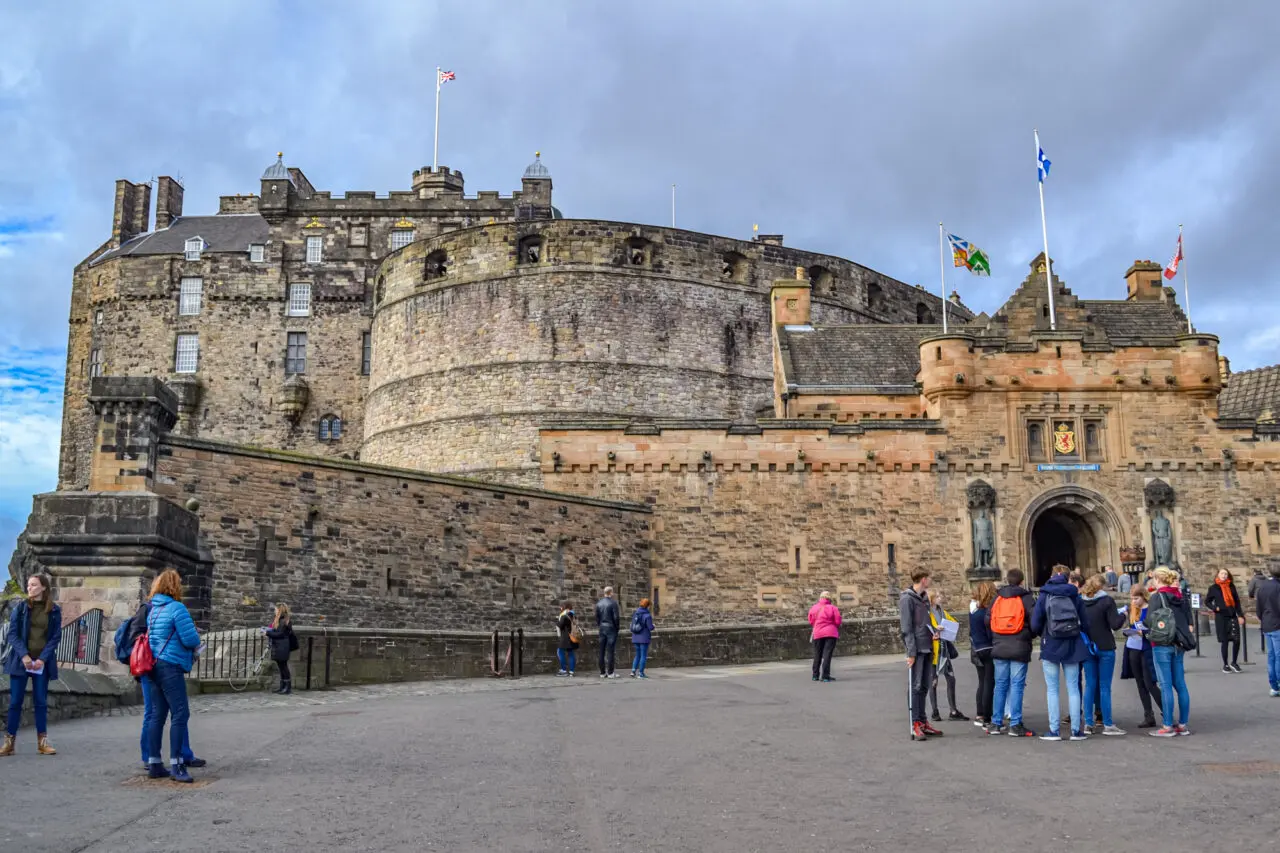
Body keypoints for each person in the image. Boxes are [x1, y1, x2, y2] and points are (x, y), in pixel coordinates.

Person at [119, 600, 204, 769]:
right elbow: (135, 636)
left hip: (158, 665)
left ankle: (177, 754)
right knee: (158, 713)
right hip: (151, 666)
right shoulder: (149, 609)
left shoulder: (161, 609)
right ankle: (150, 757)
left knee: (170, 713)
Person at [143, 569, 202, 782]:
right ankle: (177, 765)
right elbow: (191, 640)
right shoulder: (177, 608)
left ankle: (154, 762)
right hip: (171, 665)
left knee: (157, 715)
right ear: (175, 587)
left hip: (154, 666)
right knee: (180, 714)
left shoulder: (153, 610)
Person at [1, 573, 62, 757]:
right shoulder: (20, 608)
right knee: (15, 702)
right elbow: (12, 634)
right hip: (21, 662)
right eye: (28, 585)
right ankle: (9, 743)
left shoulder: (54, 610)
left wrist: (42, 658)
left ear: (43, 587)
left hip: (41, 662)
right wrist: (24, 656)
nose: (30, 588)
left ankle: (42, 742)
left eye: (34, 585)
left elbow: (55, 637)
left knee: (41, 701)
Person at [1031, 564, 1091, 741]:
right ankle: (1075, 731)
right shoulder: (1074, 594)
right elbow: (1085, 622)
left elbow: (1035, 622)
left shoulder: (1045, 594)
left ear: (1051, 575)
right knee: (1073, 688)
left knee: (1052, 689)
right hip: (1072, 643)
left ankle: (1054, 730)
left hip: (1050, 643)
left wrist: (1041, 632)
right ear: (1068, 577)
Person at [1146, 566, 1194, 737]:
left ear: (1158, 580)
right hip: (1179, 644)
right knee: (1180, 684)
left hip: (1161, 644)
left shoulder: (1157, 597)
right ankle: (1183, 724)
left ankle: (1167, 726)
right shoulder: (1180, 596)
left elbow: (1149, 621)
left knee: (1165, 685)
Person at [989, 568, 1037, 738]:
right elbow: (1035, 621)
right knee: (1016, 685)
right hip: (1019, 645)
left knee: (1000, 684)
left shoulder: (998, 597)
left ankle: (996, 723)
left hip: (999, 645)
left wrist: (996, 637)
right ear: (1021, 581)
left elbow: (988, 619)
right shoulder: (1026, 598)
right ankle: (1015, 724)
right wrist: (1029, 635)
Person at [900, 570, 943, 741]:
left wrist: (933, 632)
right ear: (923, 579)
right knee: (916, 686)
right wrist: (911, 652)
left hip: (927, 646)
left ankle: (923, 721)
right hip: (916, 649)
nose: (931, 580)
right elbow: (906, 628)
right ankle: (915, 722)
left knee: (925, 685)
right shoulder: (907, 599)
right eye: (929, 578)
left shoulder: (924, 598)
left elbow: (924, 624)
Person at [1080, 574, 1126, 735]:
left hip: (1087, 646)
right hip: (1105, 645)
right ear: (1102, 586)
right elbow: (1115, 624)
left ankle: (1088, 723)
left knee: (1090, 685)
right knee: (1105, 686)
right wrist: (1123, 615)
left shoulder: (1081, 601)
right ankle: (1107, 723)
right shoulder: (1107, 601)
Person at [1120, 587, 1162, 727]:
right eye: (1132, 598)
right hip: (1133, 648)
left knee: (1150, 683)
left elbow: (1154, 629)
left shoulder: (1150, 610)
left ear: (1143, 597)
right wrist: (1128, 631)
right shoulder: (1133, 610)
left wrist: (1141, 633)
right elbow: (1131, 625)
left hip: (1146, 648)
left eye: (1136, 598)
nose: (1134, 601)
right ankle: (1148, 715)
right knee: (1140, 683)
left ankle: (1166, 712)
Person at [927, 589, 967, 721]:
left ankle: (953, 710)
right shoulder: (927, 613)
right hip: (933, 652)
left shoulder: (942, 611)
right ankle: (935, 711)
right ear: (931, 599)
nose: (940, 598)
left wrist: (949, 627)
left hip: (944, 651)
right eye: (937, 596)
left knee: (951, 679)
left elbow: (953, 622)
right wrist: (935, 628)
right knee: (933, 682)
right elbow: (925, 627)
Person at [1205, 569, 1245, 674]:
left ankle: (1234, 662)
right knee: (1225, 641)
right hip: (1221, 616)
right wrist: (1215, 608)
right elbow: (1207, 601)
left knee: (1236, 640)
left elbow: (1237, 602)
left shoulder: (1231, 586)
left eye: (1226, 574)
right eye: (1222, 573)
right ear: (1218, 575)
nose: (1224, 575)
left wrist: (1240, 615)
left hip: (1232, 615)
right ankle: (1225, 664)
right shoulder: (1214, 588)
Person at [968, 581, 996, 730]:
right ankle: (987, 717)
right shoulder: (986, 612)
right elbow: (990, 632)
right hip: (988, 648)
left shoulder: (973, 611)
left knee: (982, 682)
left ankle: (980, 714)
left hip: (978, 648)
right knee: (989, 683)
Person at [1254, 565, 1280, 697]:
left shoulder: (1263, 586)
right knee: (1278, 656)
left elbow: (1258, 607)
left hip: (1267, 623)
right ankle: (1278, 684)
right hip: (1277, 624)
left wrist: (1263, 618)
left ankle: (1274, 686)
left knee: (1271, 657)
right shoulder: (1278, 587)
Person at [808, 592, 842, 683]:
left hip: (818, 632)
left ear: (820, 598)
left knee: (817, 654)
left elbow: (811, 620)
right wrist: (833, 626)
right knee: (827, 655)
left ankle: (815, 675)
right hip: (831, 633)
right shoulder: (833, 608)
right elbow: (838, 620)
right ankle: (825, 676)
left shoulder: (814, 607)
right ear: (829, 598)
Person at [265, 604, 297, 694]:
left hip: (283, 646)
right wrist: (268, 631)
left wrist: (268, 633)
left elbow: (281, 634)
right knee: (281, 667)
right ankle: (282, 686)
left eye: (276, 609)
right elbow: (276, 632)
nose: (274, 611)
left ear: (279, 610)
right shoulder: (279, 620)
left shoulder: (285, 621)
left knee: (284, 667)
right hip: (279, 646)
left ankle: (287, 688)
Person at [595, 586, 621, 679]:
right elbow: (616, 617)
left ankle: (602, 672)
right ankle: (610, 673)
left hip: (602, 628)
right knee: (610, 651)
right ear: (611, 593)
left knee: (601, 651)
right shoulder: (613, 603)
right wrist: (617, 628)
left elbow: (597, 617)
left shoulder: (599, 603)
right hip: (611, 628)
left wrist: (600, 625)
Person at [629, 598, 655, 679]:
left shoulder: (636, 613)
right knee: (643, 656)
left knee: (637, 655)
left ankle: (633, 671)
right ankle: (641, 673)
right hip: (644, 638)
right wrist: (654, 626)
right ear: (648, 606)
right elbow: (650, 627)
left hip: (635, 637)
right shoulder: (647, 615)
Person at [555, 602, 578, 677]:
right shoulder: (573, 615)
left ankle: (564, 670)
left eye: (562, 607)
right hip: (572, 637)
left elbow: (559, 625)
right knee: (571, 653)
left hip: (565, 638)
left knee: (560, 651)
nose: (561, 608)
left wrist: (558, 619)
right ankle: (571, 671)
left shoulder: (564, 616)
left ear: (565, 608)